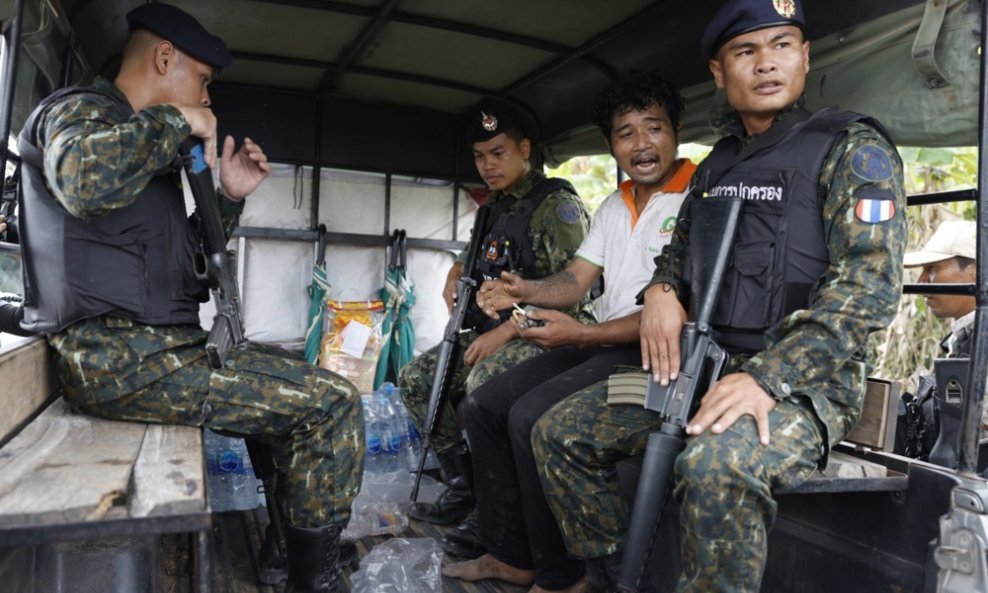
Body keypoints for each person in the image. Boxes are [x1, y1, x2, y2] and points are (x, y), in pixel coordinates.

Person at [531, 0, 908, 591]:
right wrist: (660, 289)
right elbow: (677, 258)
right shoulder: (717, 165)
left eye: (782, 45)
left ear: (805, 56)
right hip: (699, 368)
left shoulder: (850, 151)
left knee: (714, 463)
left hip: (799, 387)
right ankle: (611, 576)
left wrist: (765, 377)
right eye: (745, 51)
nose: (766, 64)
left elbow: (868, 291)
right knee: (559, 430)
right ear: (718, 71)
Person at [16, 5, 362, 593]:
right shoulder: (81, 111)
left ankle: (288, 546)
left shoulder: (138, 141)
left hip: (155, 351)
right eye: (202, 80)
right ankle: (315, 580)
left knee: (298, 378)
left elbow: (185, 257)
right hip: (121, 361)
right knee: (331, 404)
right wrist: (179, 117)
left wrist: (226, 195)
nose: (206, 96)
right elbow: (81, 180)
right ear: (164, 57)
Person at [442, 71, 696, 592]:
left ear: (676, 132)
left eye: (654, 127)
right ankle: (513, 555)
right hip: (603, 347)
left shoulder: (698, 200)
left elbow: (672, 313)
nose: (642, 144)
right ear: (611, 145)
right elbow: (576, 280)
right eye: (626, 133)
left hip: (658, 368)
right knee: (485, 405)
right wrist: (525, 291)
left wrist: (579, 336)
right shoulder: (613, 205)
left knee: (535, 418)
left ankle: (567, 577)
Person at [402, 106, 594, 533]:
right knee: (417, 379)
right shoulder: (495, 207)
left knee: (481, 384)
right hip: (493, 330)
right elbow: (483, 253)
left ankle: (497, 510)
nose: (488, 165)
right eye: (479, 156)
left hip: (546, 336)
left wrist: (507, 331)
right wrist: (456, 267)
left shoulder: (556, 207)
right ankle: (465, 488)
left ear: (524, 149)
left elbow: (575, 299)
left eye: (497, 152)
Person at [896, 219, 977, 461]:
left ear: (977, 270)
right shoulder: (964, 337)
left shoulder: (979, 343)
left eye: (932, 269)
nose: (921, 281)